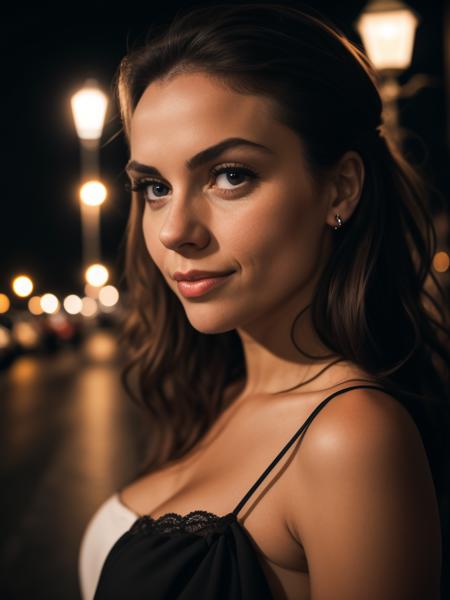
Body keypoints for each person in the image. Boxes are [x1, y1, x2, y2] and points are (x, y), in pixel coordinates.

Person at [78, 3, 450, 599]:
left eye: (230, 175)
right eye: (154, 186)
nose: (175, 230)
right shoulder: (211, 393)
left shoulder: (349, 436)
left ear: (341, 187)